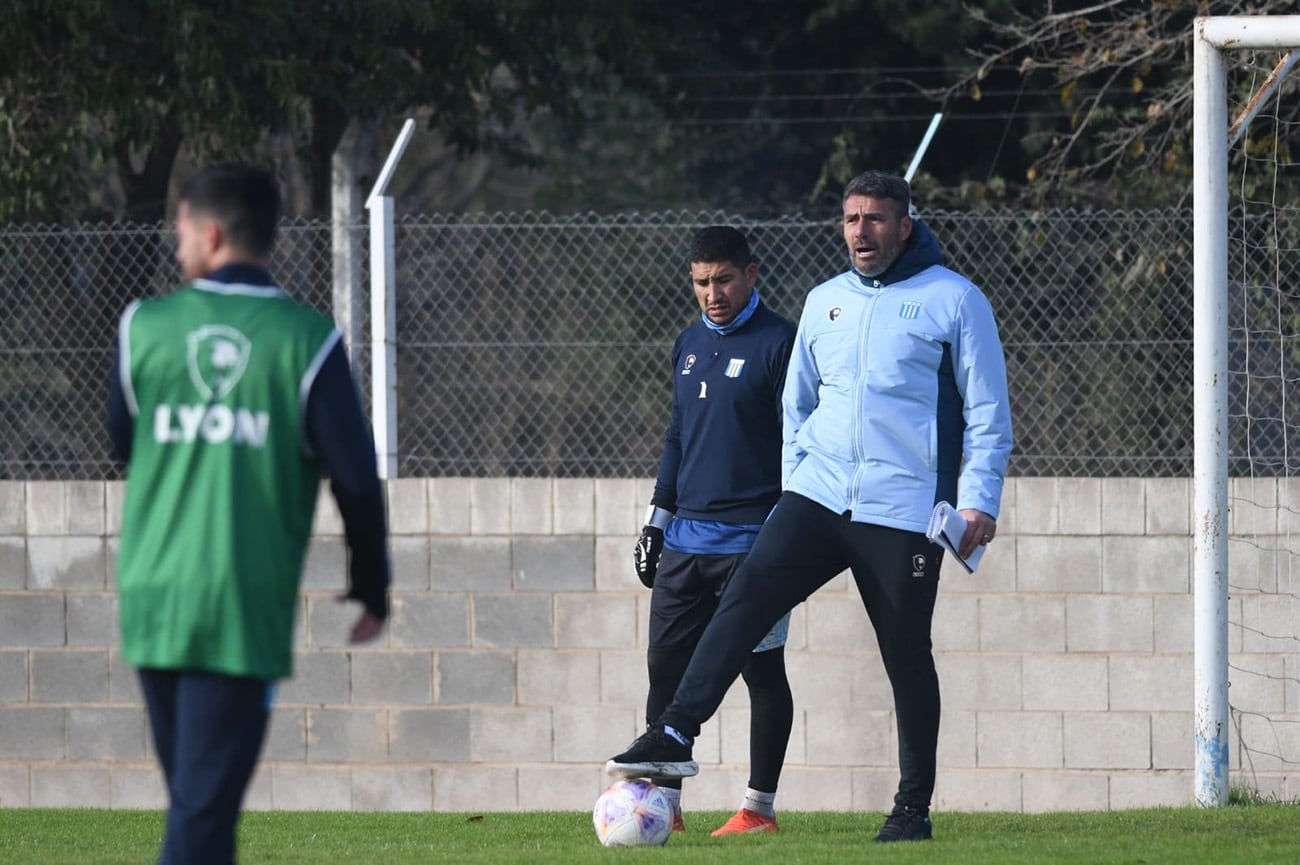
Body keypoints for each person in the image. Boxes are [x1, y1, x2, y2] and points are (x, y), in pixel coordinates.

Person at [606, 170, 1013, 843]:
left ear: (904, 225)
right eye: (852, 219)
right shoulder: (826, 302)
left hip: (902, 510)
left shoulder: (955, 301)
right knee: (743, 602)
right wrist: (796, 485)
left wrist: (979, 499)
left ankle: (911, 808)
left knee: (906, 652)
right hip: (816, 499)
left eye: (876, 218)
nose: (862, 230)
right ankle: (676, 730)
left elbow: (989, 412)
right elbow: (797, 408)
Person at [106, 162, 391, 865]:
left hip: (151, 596)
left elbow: (121, 442)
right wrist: (372, 583)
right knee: (202, 813)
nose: (176, 251)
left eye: (179, 234)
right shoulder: (306, 340)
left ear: (209, 233)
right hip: (237, 604)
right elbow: (356, 478)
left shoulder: (144, 326)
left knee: (199, 808)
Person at [622, 226, 796, 836]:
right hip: (685, 545)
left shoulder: (782, 343)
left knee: (762, 673)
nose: (712, 293)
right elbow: (677, 436)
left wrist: (781, 535)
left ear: (752, 273)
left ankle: (758, 808)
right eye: (701, 282)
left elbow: (798, 444)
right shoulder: (688, 343)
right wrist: (656, 522)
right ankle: (662, 808)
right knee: (664, 676)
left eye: (723, 279)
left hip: (752, 543)